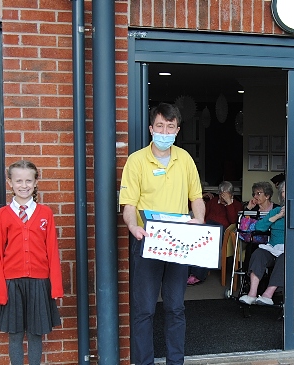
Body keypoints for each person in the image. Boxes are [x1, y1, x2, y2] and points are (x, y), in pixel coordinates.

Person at [119, 102, 205, 365]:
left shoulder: (185, 159)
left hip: (178, 244)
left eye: (170, 127)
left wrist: (199, 218)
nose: (164, 131)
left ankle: (175, 362)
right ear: (150, 128)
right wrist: (133, 226)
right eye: (160, 126)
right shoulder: (136, 161)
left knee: (175, 308)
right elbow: (128, 205)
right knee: (144, 309)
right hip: (147, 242)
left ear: (177, 130)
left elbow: (197, 198)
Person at [0, 160, 63, 365]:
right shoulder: (3, 215)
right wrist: (0, 291)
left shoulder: (45, 214)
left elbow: (52, 251)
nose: (24, 185)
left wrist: (55, 287)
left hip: (39, 282)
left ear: (35, 182)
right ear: (10, 183)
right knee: (14, 334)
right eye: (19, 181)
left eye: (28, 181)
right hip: (12, 283)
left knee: (35, 333)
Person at [238, 181, 294, 305]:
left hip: (292, 248)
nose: (286, 194)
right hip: (273, 248)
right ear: (280, 195)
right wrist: (278, 216)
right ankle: (252, 294)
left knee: (285, 258)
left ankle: (268, 295)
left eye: (291, 191)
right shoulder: (275, 210)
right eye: (283, 191)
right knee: (258, 254)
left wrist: (291, 216)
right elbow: (259, 227)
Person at [189, 181, 242, 285]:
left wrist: (228, 204)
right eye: (221, 194)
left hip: (221, 233)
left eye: (225, 194)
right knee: (195, 241)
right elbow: (203, 216)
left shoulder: (236, 205)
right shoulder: (212, 202)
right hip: (208, 230)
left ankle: (197, 275)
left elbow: (233, 221)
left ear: (231, 194)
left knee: (208, 239)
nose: (222, 197)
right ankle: (189, 273)